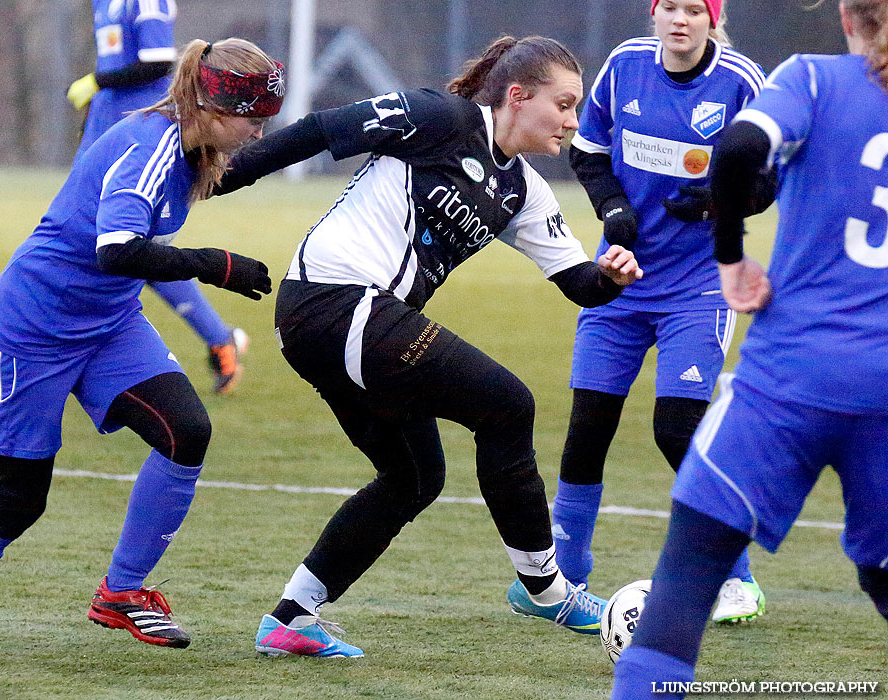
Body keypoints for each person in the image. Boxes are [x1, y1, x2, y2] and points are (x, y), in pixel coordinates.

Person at [214, 35, 643, 658]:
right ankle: (544, 588)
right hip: (332, 302)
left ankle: (290, 619)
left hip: (345, 326)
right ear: (518, 97)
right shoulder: (439, 118)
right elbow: (319, 130)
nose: (574, 122)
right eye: (566, 104)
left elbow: (579, 283)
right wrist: (215, 180)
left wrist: (611, 275)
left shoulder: (524, 191)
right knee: (507, 404)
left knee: (414, 478)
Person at [0, 37, 282, 657]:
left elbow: (255, 163)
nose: (259, 133)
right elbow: (118, 250)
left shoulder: (193, 138)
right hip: (30, 331)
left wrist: (352, 133)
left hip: (106, 324)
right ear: (214, 105)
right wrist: (214, 263)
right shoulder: (151, 149)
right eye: (253, 119)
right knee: (18, 499)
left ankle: (121, 592)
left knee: (186, 431)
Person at [610, 0, 888, 696]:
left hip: (787, 377)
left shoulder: (815, 81)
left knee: (684, 587)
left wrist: (730, 258)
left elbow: (736, 151)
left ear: (849, 20)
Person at [554, 0, 774, 624]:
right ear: (655, 15)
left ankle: (738, 578)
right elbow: (588, 152)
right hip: (620, 282)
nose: (678, 19)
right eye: (667, 7)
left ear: (713, 19)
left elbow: (770, 177)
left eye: (692, 9)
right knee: (588, 427)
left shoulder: (740, 82)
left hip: (697, 289)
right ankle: (563, 580)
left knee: (677, 431)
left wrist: (715, 200)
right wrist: (612, 209)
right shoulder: (624, 66)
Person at [67, 0, 250, 395]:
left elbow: (158, 62)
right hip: (107, 127)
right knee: (85, 239)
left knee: (129, 249)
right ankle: (219, 338)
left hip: (142, 133)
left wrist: (98, 81)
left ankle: (219, 339)